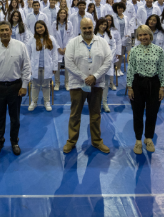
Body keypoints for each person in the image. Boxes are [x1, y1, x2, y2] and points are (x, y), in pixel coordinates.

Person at [63, 18, 112, 154]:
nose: (87, 30)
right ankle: (71, 142)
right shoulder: (73, 43)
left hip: (96, 84)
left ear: (93, 27)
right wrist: (84, 77)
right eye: (84, 28)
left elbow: (108, 60)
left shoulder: (102, 42)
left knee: (95, 114)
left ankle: (96, 141)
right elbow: (68, 63)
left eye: (89, 27)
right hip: (78, 84)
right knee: (75, 114)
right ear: (80, 28)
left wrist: (95, 76)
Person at [0, 21, 31, 156]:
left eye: (6, 30)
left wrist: (25, 85)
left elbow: (27, 67)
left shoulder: (20, 46)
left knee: (15, 117)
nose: (4, 32)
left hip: (16, 86)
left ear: (11, 31)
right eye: (1, 30)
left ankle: (14, 141)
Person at [127, 25, 164, 155]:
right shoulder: (134, 50)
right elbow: (131, 69)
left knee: (152, 112)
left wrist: (162, 87)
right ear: (137, 37)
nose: (143, 37)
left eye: (145, 35)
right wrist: (130, 87)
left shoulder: (159, 50)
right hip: (138, 83)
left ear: (150, 35)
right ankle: (138, 140)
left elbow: (162, 69)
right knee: (137, 113)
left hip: (153, 84)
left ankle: (148, 138)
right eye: (140, 35)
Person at [27, 20, 58, 112]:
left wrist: (55, 67)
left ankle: (46, 102)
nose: (40, 29)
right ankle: (34, 102)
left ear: (45, 27)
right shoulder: (32, 39)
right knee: (35, 85)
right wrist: (29, 67)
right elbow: (28, 54)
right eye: (37, 28)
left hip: (47, 66)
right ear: (35, 29)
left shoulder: (51, 39)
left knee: (46, 85)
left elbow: (55, 54)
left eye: (41, 27)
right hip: (35, 66)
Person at [94, 18, 116, 113]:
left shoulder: (110, 35)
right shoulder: (94, 35)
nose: (103, 26)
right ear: (98, 24)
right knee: (97, 84)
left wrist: (108, 58)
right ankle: (96, 103)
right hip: (97, 63)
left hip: (107, 63)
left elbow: (114, 47)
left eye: (105, 25)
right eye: (101, 24)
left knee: (106, 84)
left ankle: (105, 103)